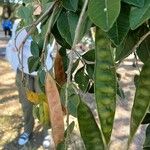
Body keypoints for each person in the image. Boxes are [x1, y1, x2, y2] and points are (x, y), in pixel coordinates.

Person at [5, 19, 55, 146]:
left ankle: (46, 132)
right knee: (26, 104)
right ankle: (27, 130)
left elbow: (52, 46)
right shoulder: (20, 22)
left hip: (44, 71)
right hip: (24, 71)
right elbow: (15, 46)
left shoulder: (50, 18)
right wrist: (29, 25)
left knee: (45, 103)